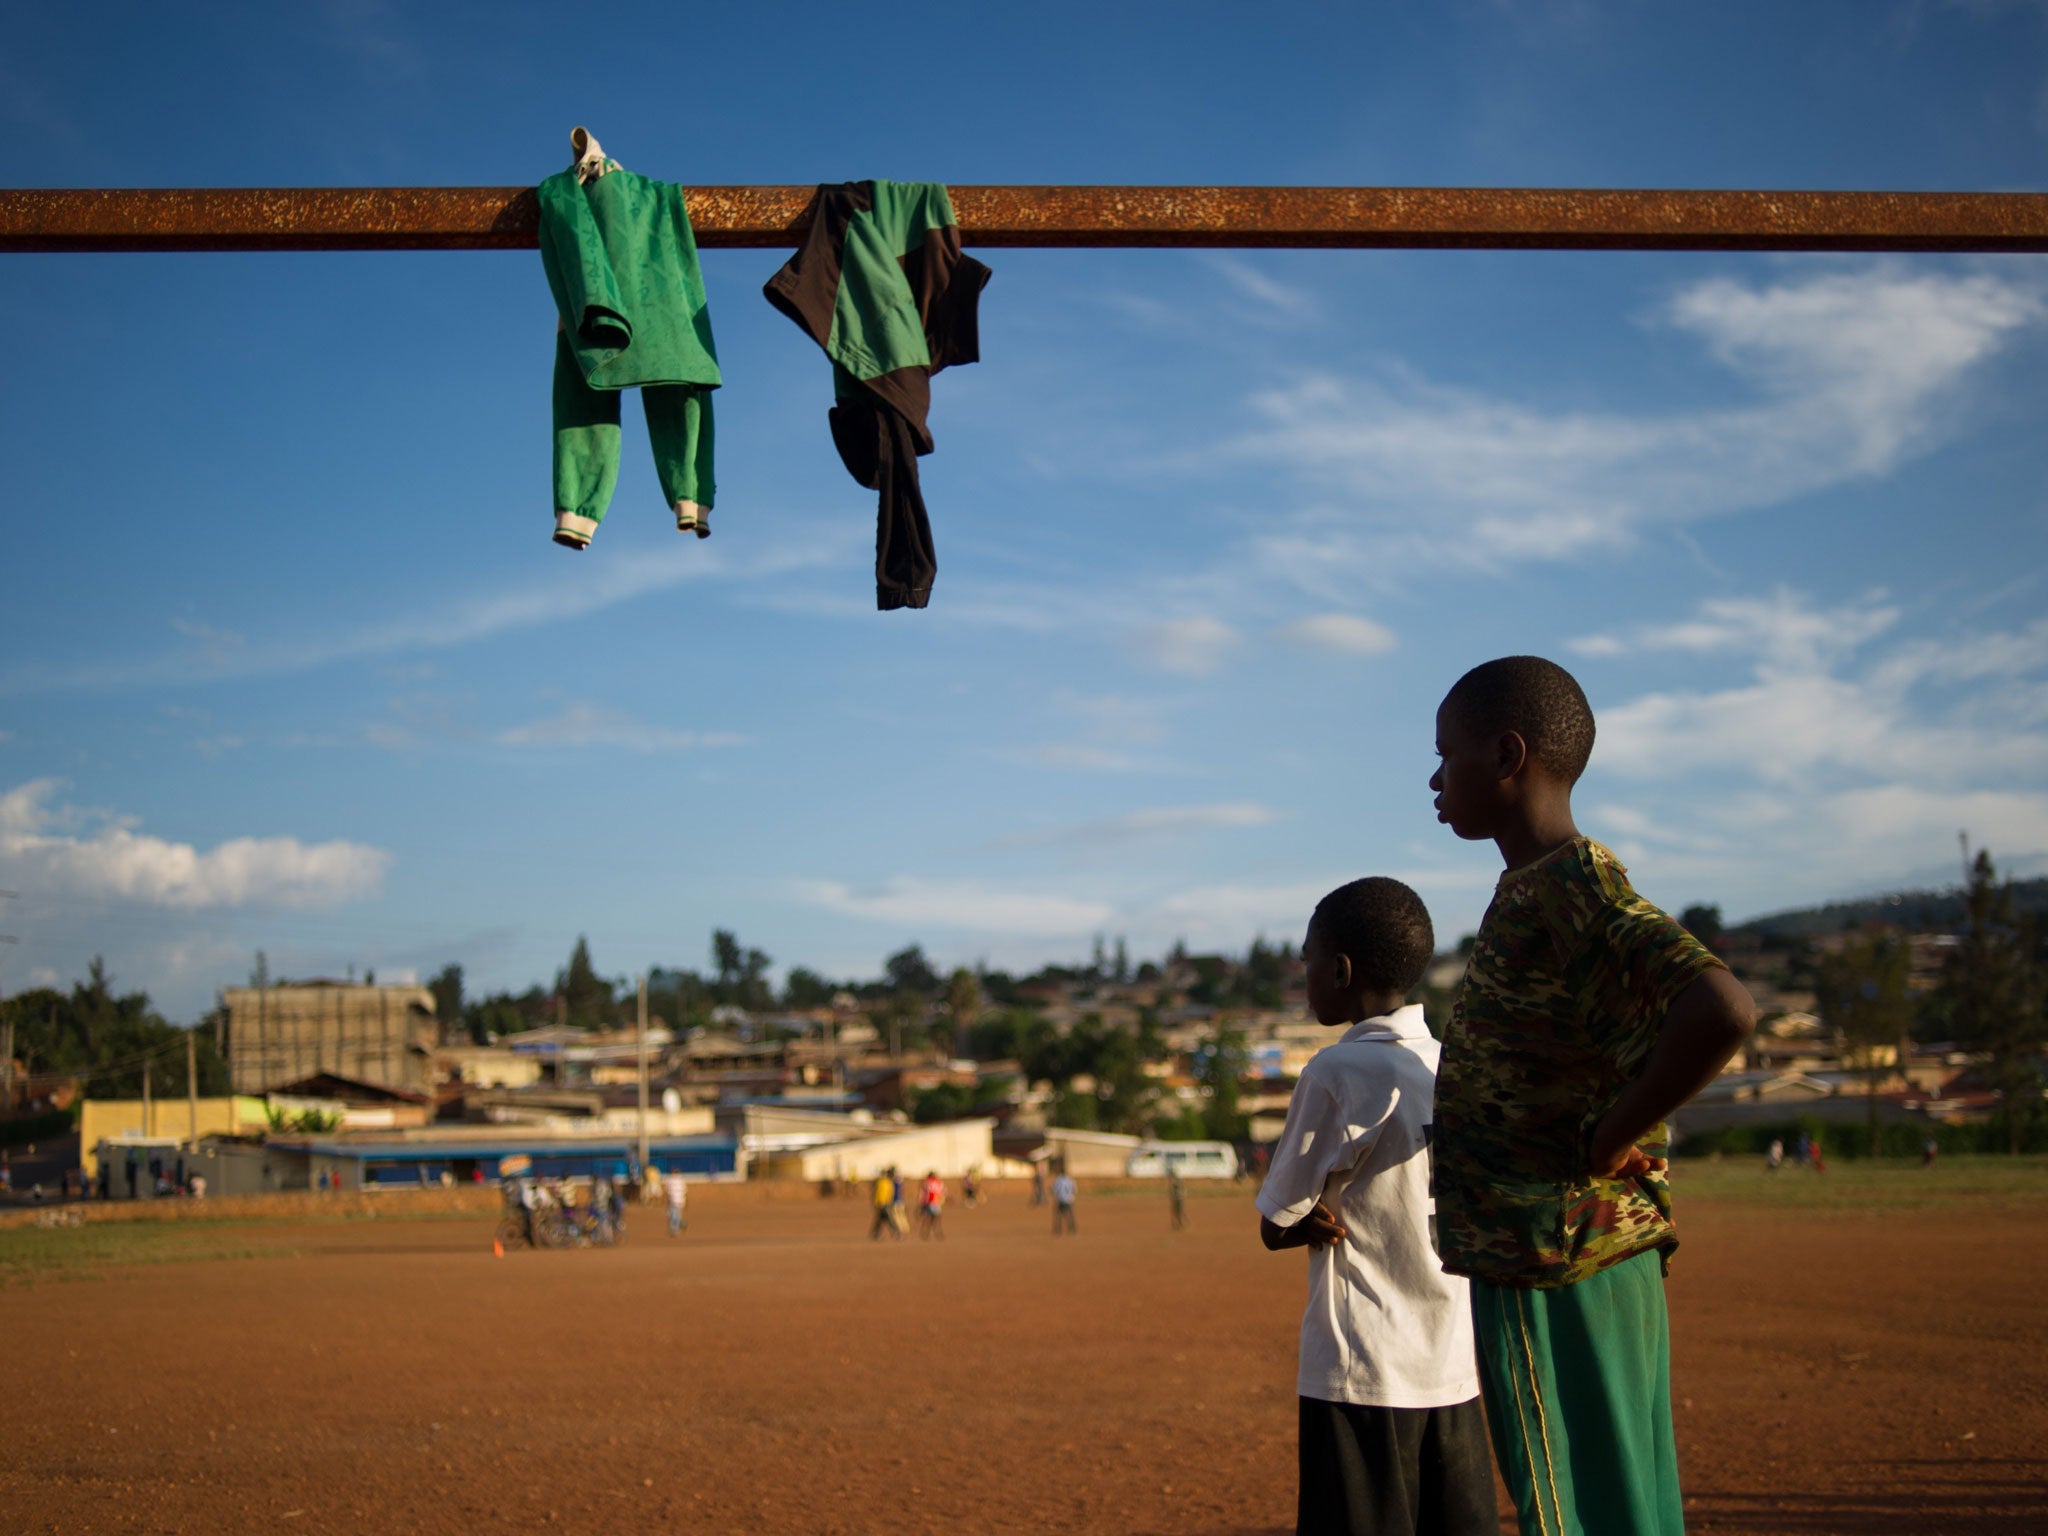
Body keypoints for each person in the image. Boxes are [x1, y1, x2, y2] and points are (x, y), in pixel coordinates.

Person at [1427, 656, 1756, 1536]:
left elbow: (1720, 1007)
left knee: (1568, 1507)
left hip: (1551, 1260)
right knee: (1627, 1506)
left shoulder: (1572, 884)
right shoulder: (1539, 888)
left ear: (1506, 755)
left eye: (1445, 754)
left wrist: (1612, 1135)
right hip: (1584, 1253)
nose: (1433, 778)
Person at [1258, 877, 1494, 1536]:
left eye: (1308, 960)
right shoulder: (1446, 1066)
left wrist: (1299, 1222)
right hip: (1451, 1361)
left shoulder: (1338, 1072)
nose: (1304, 975)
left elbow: (1276, 1220)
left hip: (1362, 1367)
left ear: (1340, 970)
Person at [870, 1168, 900, 1241]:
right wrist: (879, 1203)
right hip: (883, 1204)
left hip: (884, 1203)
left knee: (880, 1220)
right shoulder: (884, 1182)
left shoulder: (888, 1182)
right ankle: (896, 1233)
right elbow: (880, 1193)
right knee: (889, 1219)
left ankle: (875, 1234)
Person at [919, 1170, 946, 1240]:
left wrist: (923, 1202)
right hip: (937, 1203)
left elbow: (926, 1193)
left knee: (929, 1219)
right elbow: (943, 1192)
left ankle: (927, 1233)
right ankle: (936, 1233)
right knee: (935, 1220)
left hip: (930, 1203)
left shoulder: (927, 1183)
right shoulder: (939, 1183)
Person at [663, 1165, 689, 1237]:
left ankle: (674, 1230)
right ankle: (682, 1223)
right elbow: (685, 1192)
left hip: (673, 1200)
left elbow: (667, 1191)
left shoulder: (670, 1179)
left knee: (673, 1216)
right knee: (675, 1215)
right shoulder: (681, 1180)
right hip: (680, 1200)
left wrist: (665, 1200)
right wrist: (686, 1201)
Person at [1050, 1168, 1077, 1236]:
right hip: (1068, 1200)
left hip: (1060, 1200)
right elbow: (1074, 1190)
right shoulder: (1070, 1180)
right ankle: (1072, 1230)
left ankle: (1058, 1230)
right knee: (1070, 1215)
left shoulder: (1057, 1180)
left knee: (1058, 1216)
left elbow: (1052, 1189)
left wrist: (1056, 1195)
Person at [1168, 1168, 1187, 1232]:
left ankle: (1180, 1224)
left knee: (1178, 1212)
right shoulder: (1174, 1181)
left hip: (1178, 1199)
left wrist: (1180, 1196)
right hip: (1176, 1198)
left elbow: (1179, 1189)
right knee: (1175, 1212)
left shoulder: (1176, 1181)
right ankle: (1177, 1224)